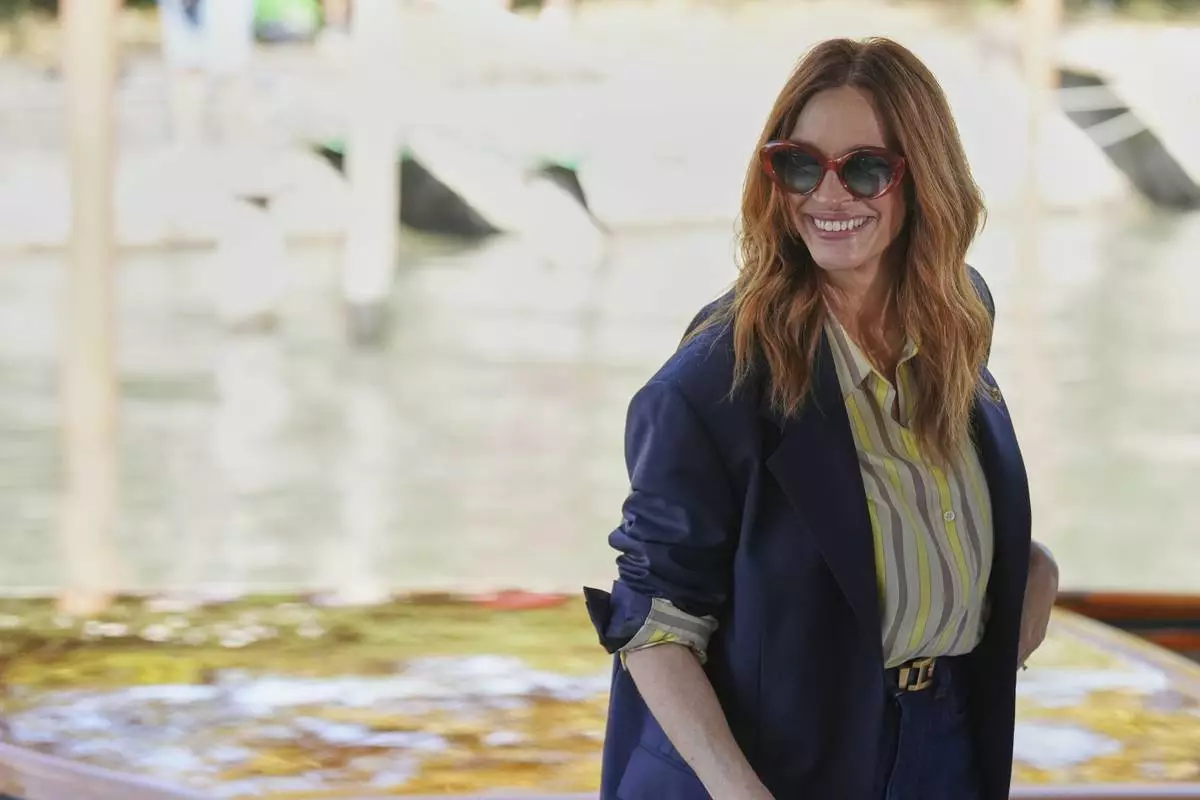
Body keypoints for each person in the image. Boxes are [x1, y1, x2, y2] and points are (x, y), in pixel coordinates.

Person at [583, 37, 1060, 800]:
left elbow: (915, 527)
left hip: (947, 742)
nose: (828, 196)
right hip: (781, 769)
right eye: (800, 166)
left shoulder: (960, 315)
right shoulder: (713, 383)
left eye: (865, 169)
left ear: (925, 177)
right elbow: (654, 625)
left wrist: (1031, 577)